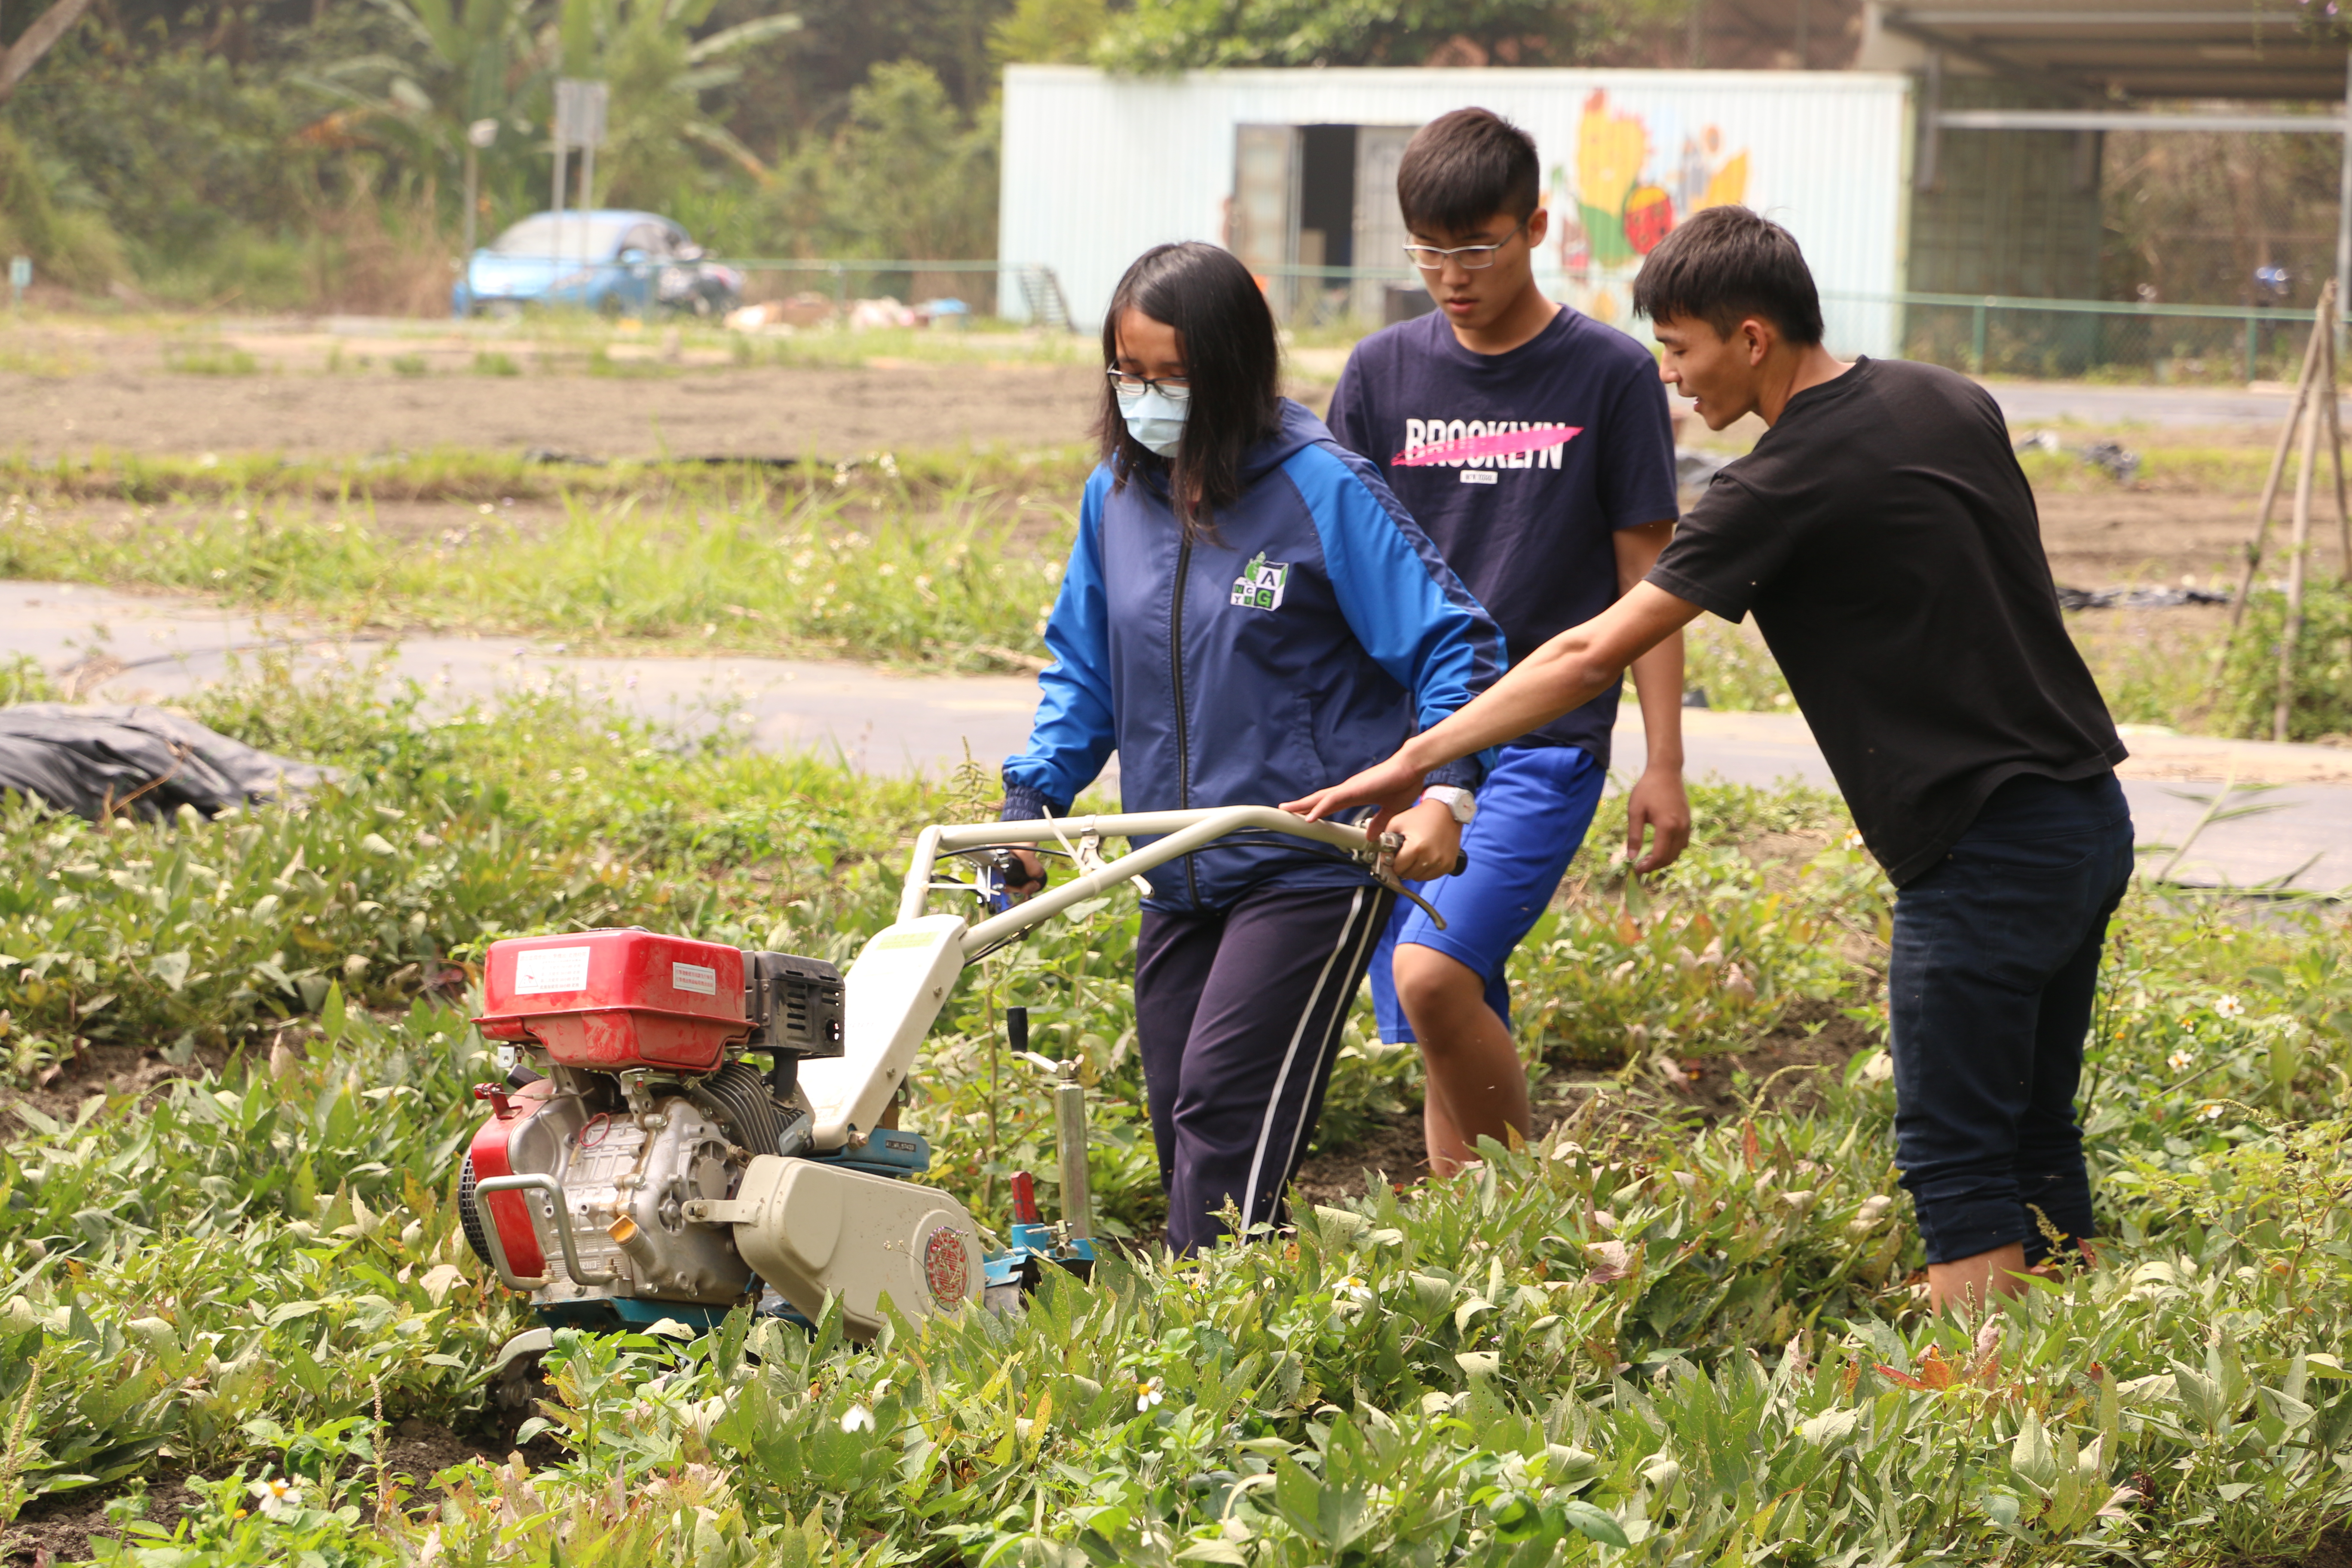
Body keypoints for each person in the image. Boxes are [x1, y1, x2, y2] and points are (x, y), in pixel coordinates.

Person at [1284, 206, 2134, 1317]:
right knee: (2034, 1126)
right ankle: (2075, 1365)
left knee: (1954, 1153)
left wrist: (1422, 755)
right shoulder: (1949, 400)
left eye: (1681, 350)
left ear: (1751, 338)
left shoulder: (1775, 486)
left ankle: (1984, 1421)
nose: (1673, 379)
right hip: (2086, 817)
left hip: (1979, 849)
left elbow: (1592, 651)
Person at [996, 240, 1510, 1257]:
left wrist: (1444, 791)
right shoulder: (1119, 497)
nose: (1146, 398)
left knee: (1227, 1112)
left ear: (1230, 371)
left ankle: (1204, 1347)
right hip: (1175, 860)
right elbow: (1086, 672)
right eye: (1128, 374)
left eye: (1172, 378)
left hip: (1303, 856)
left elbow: (1459, 643)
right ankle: (1229, 1327)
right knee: (1178, 1114)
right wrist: (1032, 799)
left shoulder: (1320, 488)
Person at [1323, 107, 1690, 1176]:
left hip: (1546, 740)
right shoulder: (1381, 374)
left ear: (1535, 227)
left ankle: (1506, 1219)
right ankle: (1480, 1238)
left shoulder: (1610, 374)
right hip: (1415, 746)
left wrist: (1663, 761)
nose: (1452, 276)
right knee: (1453, 998)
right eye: (1429, 252)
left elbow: (1649, 583)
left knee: (1436, 977)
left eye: (1476, 248)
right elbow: (1340, 569)